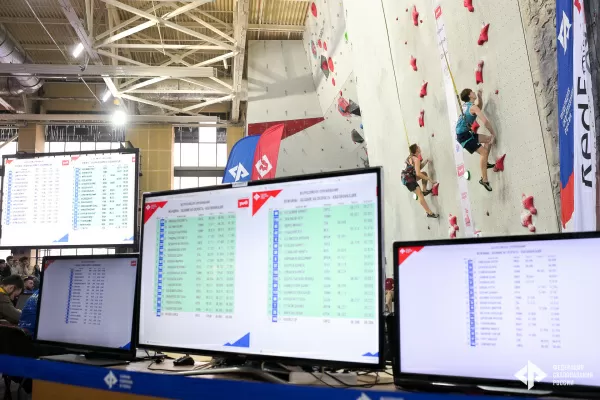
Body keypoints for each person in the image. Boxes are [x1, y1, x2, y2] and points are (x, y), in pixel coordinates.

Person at [455, 88, 497, 191]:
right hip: (463, 136)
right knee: (484, 152)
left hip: (466, 133)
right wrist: (493, 133)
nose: (473, 92)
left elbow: (479, 108)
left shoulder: (468, 106)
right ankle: (484, 180)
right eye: (472, 92)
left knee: (488, 140)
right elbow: (485, 121)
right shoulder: (472, 107)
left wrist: (480, 97)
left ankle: (485, 163)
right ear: (470, 95)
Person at [401, 144, 439, 218]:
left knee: (424, 174)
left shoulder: (411, 157)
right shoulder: (416, 159)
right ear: (416, 150)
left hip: (407, 177)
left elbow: (417, 169)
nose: (419, 147)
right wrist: (429, 179)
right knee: (420, 195)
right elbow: (418, 173)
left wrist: (425, 162)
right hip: (408, 178)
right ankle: (429, 213)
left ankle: (424, 190)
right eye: (418, 147)